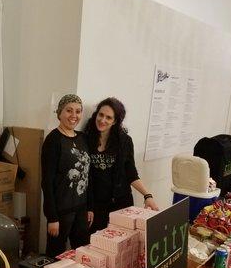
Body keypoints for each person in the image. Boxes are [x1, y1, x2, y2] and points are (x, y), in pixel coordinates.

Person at [85, 97, 158, 233]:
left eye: (108, 117)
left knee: (122, 243)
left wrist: (147, 195)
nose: (102, 120)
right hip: (96, 206)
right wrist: (87, 206)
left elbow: (131, 173)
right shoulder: (86, 139)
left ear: (115, 121)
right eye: (101, 115)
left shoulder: (124, 141)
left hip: (121, 202)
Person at [41, 94, 93, 257]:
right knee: (55, 255)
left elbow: (87, 174)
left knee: (82, 253)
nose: (74, 115)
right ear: (60, 113)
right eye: (69, 110)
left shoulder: (83, 138)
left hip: (81, 209)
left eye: (78, 111)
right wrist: (52, 217)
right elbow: (47, 182)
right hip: (61, 211)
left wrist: (89, 207)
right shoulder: (53, 140)